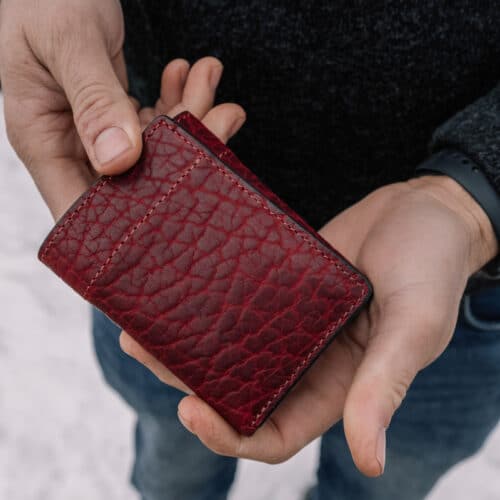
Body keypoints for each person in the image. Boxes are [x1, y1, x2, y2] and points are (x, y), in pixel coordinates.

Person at [1, 1, 500, 499]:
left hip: (458, 282)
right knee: (175, 455)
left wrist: (472, 200)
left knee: (386, 475)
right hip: (152, 230)